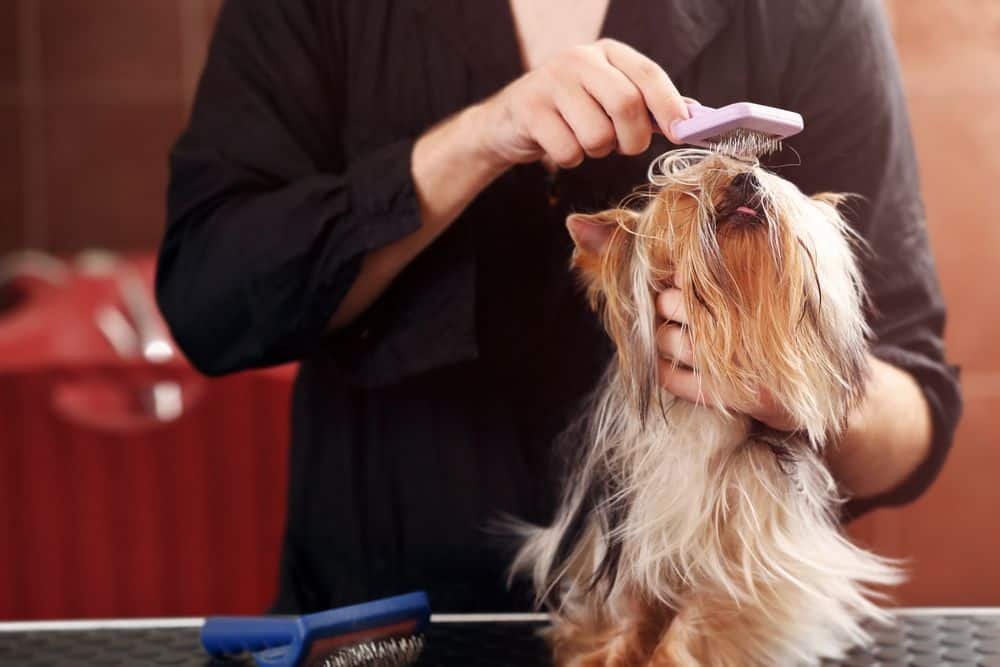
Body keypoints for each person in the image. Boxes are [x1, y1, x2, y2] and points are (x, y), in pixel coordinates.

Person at [157, 0, 961, 613]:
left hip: (701, 635)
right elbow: (210, 299)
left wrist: (800, 386)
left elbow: (917, 416)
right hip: (381, 623)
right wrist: (479, 137)